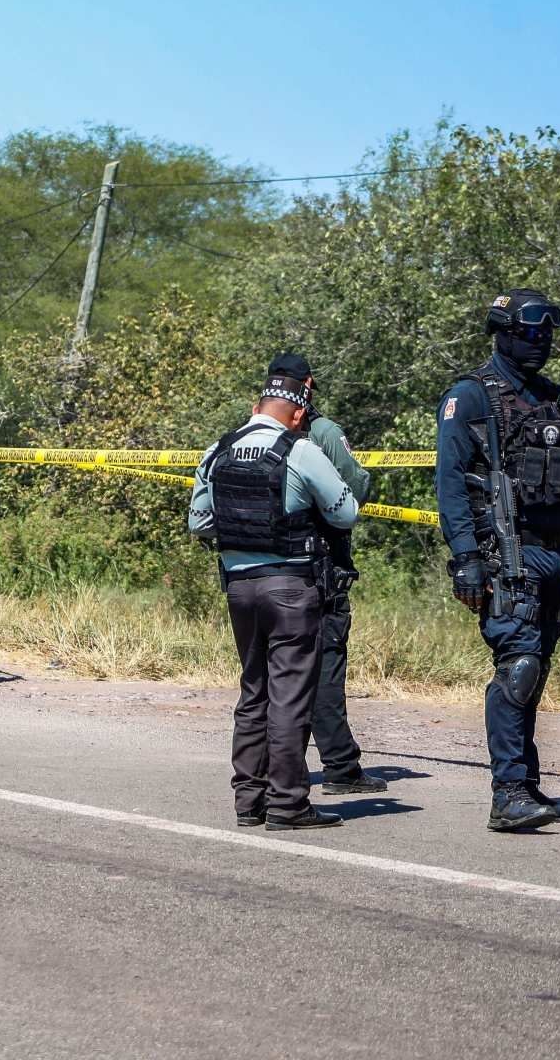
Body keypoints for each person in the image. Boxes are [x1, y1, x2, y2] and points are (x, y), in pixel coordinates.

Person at [436, 289, 560, 831]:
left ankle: (526, 785)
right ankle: (507, 793)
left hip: (554, 555)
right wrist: (465, 560)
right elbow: (452, 485)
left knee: (538, 670)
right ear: (503, 332)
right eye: (531, 333)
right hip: (508, 555)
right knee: (518, 667)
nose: (541, 342)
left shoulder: (554, 398)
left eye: (548, 333)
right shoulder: (473, 396)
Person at [189, 371, 360, 829]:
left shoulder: (218, 450)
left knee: (253, 691)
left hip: (239, 588)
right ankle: (288, 804)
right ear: (299, 414)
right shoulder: (300, 449)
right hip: (290, 585)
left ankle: (250, 802)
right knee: (289, 696)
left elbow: (199, 522)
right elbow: (346, 512)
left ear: (256, 407)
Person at [265, 353, 386, 796]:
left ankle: (270, 769)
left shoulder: (253, 435)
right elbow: (358, 491)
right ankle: (340, 768)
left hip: (266, 575)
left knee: (273, 674)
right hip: (322, 570)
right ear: (309, 384)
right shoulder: (324, 433)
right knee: (326, 669)